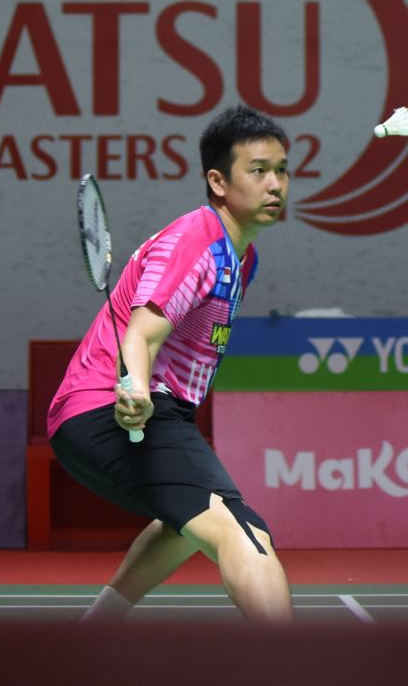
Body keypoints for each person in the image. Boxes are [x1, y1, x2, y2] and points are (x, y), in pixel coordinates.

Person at [47, 104, 293, 623]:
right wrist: (133, 388)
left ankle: (92, 632)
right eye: (258, 171)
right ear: (218, 181)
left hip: (151, 412)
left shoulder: (242, 258)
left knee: (187, 522)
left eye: (282, 170)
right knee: (243, 530)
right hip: (108, 408)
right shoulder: (195, 242)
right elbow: (140, 334)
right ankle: (288, 662)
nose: (275, 184)